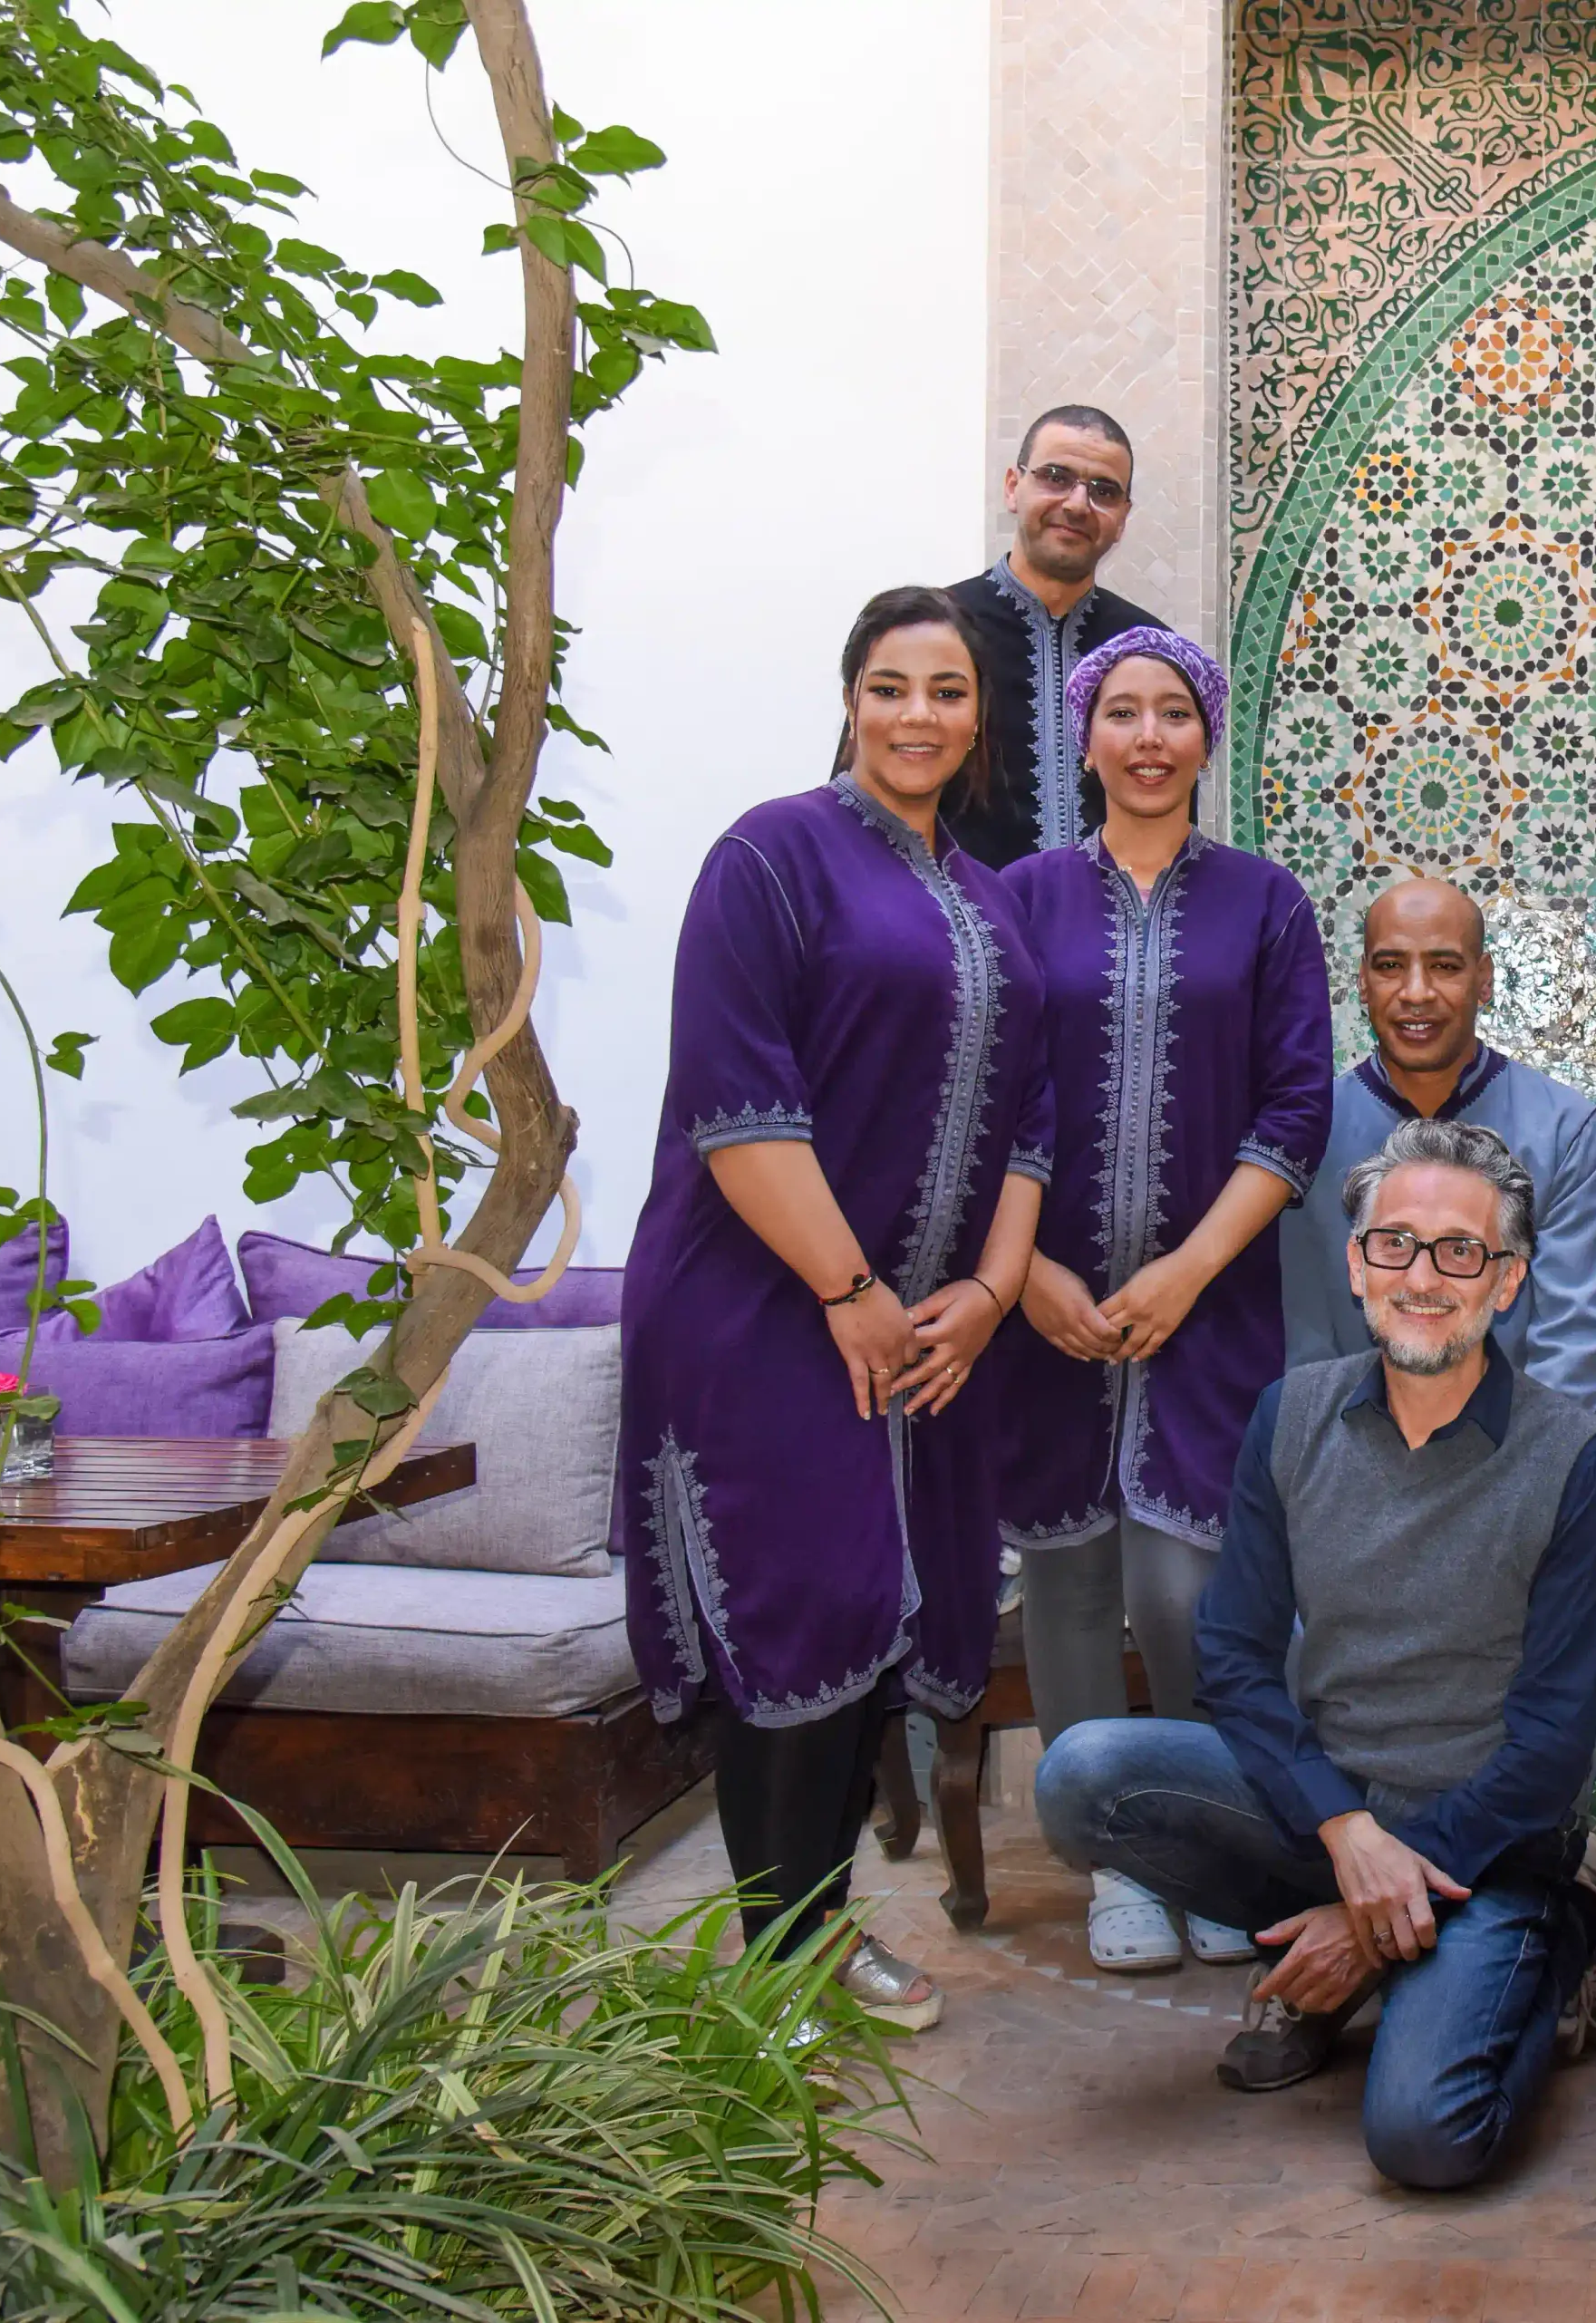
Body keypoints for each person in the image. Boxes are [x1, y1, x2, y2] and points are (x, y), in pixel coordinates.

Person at [615, 585, 1052, 2034]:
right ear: (850, 697)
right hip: (762, 1313)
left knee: (874, 1615)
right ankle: (781, 1959)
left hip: (920, 1336)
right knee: (795, 1619)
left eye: (945, 690)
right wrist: (854, 1293)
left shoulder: (988, 898)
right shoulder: (770, 855)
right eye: (888, 684)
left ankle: (820, 1927)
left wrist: (986, 1296)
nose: (917, 714)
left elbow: (1031, 1127)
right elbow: (739, 1109)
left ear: (980, 716)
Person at [1036, 1118, 1596, 2190]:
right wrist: (1348, 1835)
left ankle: (1556, 1943)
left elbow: (1548, 1749)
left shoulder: (1572, 1456)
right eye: (1395, 1243)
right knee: (1084, 1775)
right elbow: (1237, 1660)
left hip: (1491, 1839)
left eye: (1463, 1251)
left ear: (1509, 1280)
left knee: (1426, 2140)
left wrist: (1374, 1910)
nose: (1425, 1275)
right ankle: (1369, 1949)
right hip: (1328, 1816)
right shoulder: (1292, 1414)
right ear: (1356, 1265)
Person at [994, 628, 1333, 1974]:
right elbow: (982, 1099)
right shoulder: (1020, 895)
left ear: (1207, 738)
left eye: (1173, 713)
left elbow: (1298, 1102)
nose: (1147, 736)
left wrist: (1190, 1269)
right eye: (1121, 713)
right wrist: (1030, 1278)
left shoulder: (1267, 901)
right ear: (1085, 739)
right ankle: (1114, 1867)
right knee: (1070, 1585)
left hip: (1215, 1308)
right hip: (1046, 1311)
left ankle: (1211, 1846)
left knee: (1195, 1595)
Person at [1280, 879, 1596, 1417]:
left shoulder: (1565, 1129)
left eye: (1444, 966)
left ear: (1484, 980)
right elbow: (1304, 1339)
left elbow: (1575, 1341)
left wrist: (1511, 1473)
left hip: (1529, 1457)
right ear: (1363, 983)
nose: (1416, 992)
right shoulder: (1303, 1132)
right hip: (1349, 1462)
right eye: (1390, 966)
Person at [946, 405, 1169, 867]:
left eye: (1103, 491)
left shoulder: (1149, 650)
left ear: (1123, 517)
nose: (1076, 504)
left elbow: (1173, 826)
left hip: (1108, 933)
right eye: (1055, 476)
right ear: (1013, 486)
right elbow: (862, 812)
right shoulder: (934, 635)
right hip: (952, 929)